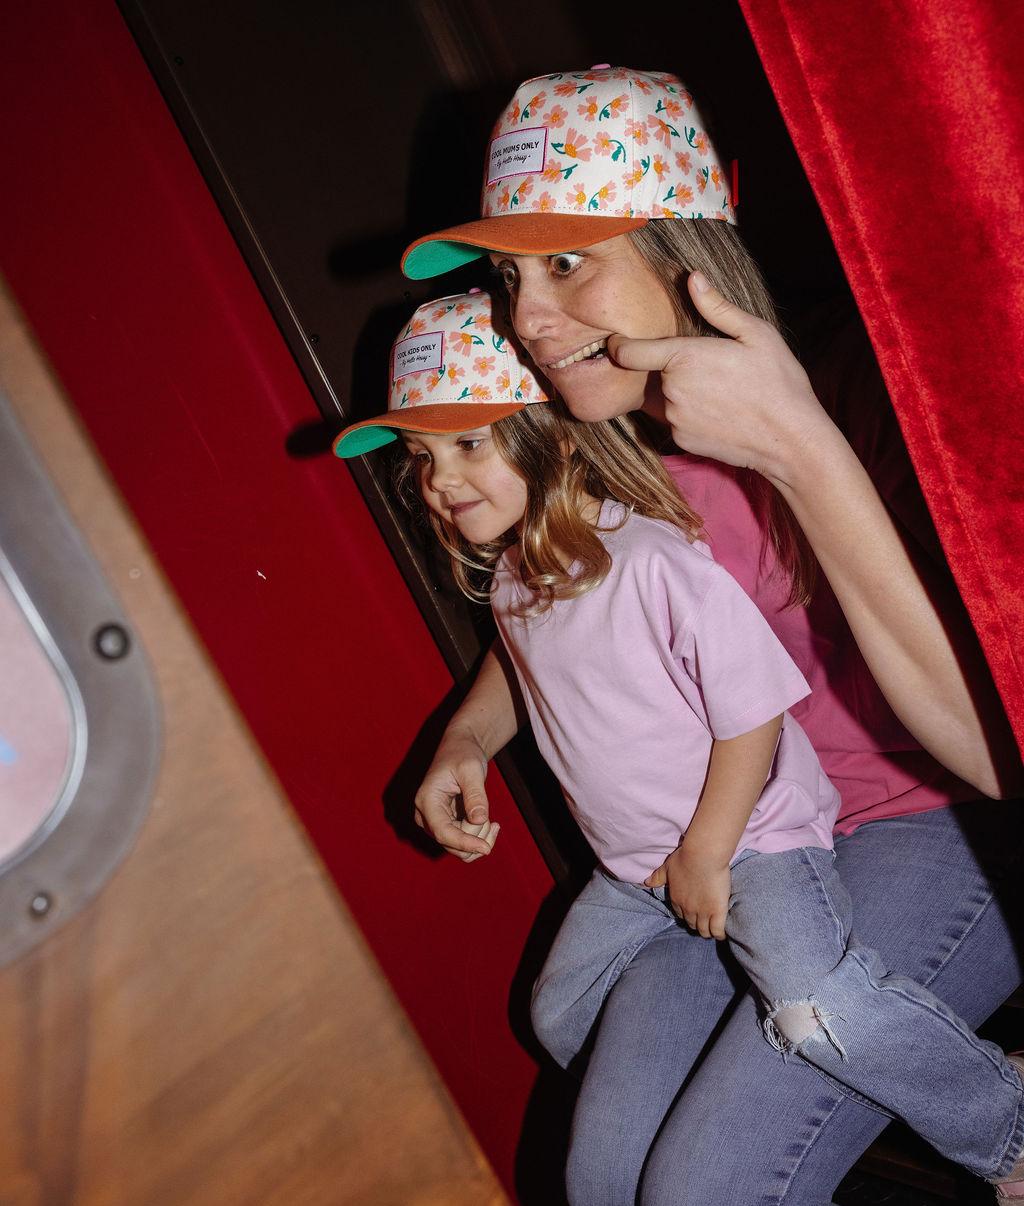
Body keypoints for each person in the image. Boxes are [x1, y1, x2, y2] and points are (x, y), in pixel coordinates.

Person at [397, 68, 1024, 1203]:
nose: (525, 319)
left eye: (566, 262)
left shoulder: (878, 394)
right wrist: (468, 737)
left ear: (682, 250)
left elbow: (996, 725)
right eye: (510, 277)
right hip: (729, 840)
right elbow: (554, 620)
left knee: (705, 1186)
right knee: (601, 1174)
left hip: (926, 820)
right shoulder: (591, 447)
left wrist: (794, 442)